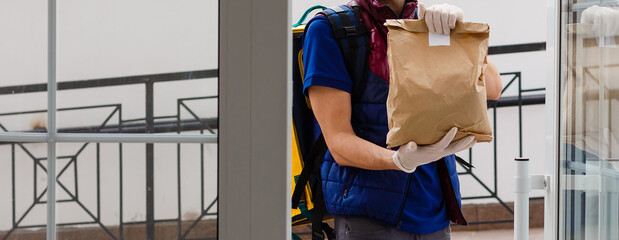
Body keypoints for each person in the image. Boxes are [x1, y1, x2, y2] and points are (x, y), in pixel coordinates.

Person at [302, 0, 503, 239]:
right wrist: (398, 161)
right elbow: (338, 142)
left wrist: (457, 34)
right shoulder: (331, 30)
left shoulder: (428, 22)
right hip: (371, 216)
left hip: (435, 210)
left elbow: (493, 88)